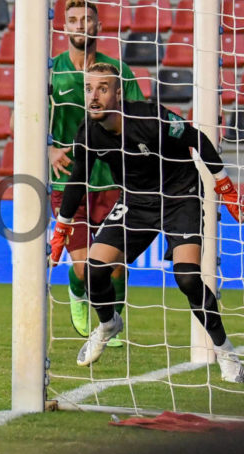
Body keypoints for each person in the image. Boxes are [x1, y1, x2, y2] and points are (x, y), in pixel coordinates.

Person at [50, 63, 244, 381]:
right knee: (93, 269)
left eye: (102, 88)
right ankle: (108, 323)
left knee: (188, 279)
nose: (94, 96)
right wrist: (62, 226)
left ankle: (226, 352)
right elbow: (77, 180)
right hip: (136, 202)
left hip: (179, 195)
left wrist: (225, 186)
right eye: (88, 89)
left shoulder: (148, 118)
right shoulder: (89, 131)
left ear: (117, 92)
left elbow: (196, 137)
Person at [50, 0, 144, 344]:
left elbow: (139, 116)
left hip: (113, 180)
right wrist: (47, 148)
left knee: (114, 265)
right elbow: (22, 118)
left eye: (86, 20)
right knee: (84, 269)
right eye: (72, 20)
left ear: (97, 27)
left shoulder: (116, 71)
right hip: (68, 180)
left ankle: (112, 321)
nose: (79, 25)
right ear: (64, 26)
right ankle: (77, 290)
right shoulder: (51, 70)